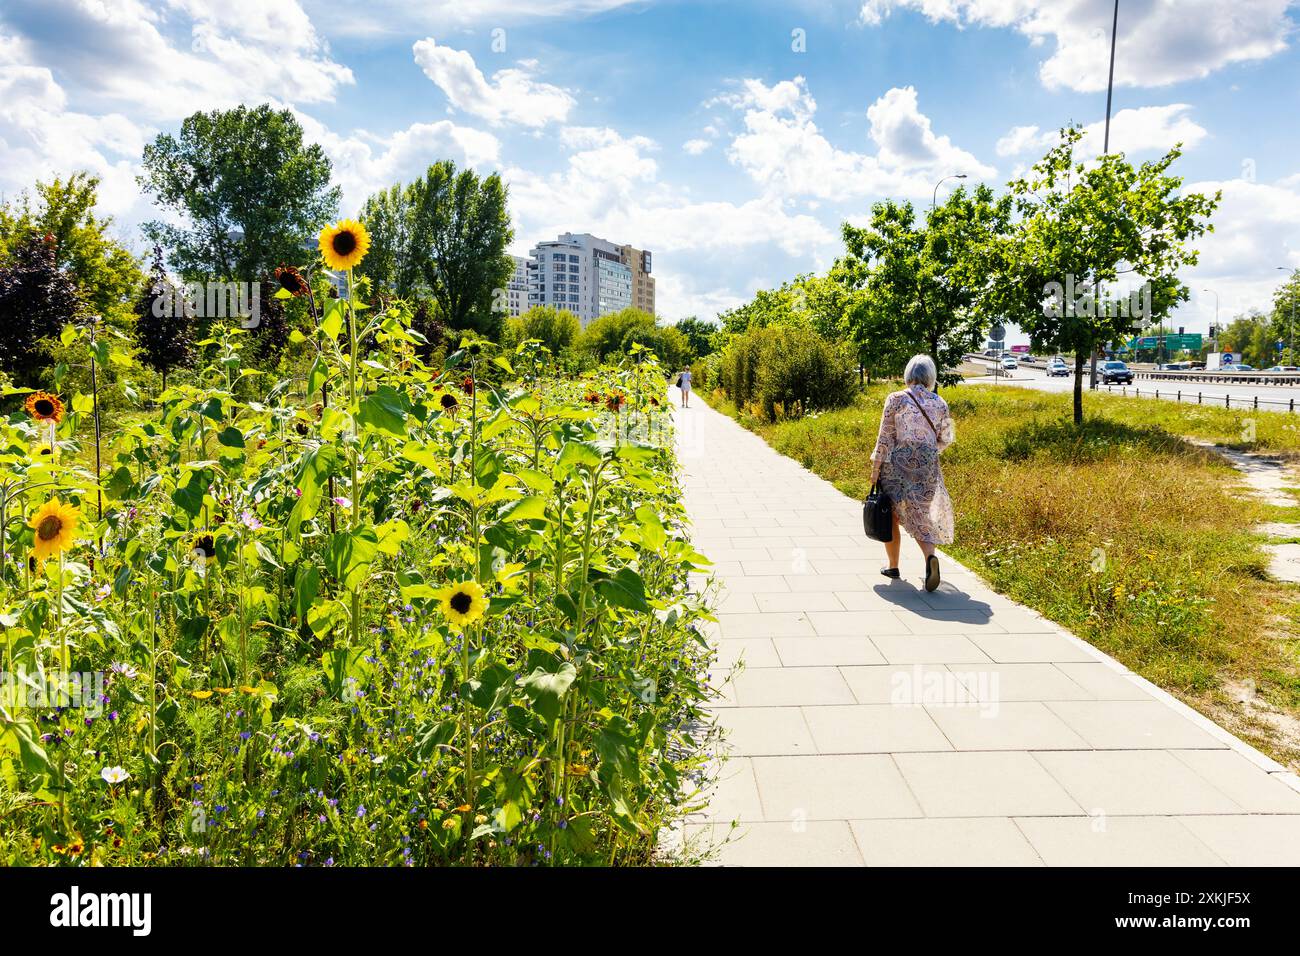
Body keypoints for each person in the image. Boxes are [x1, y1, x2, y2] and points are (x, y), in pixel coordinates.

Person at [870, 354, 956, 592]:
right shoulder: (940, 403)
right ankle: (930, 559)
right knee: (923, 514)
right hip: (927, 465)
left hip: (896, 465)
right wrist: (927, 451)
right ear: (930, 377)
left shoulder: (895, 399)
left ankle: (893, 566)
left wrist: (875, 469)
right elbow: (946, 438)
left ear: (908, 375)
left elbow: (884, 437)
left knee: (892, 515)